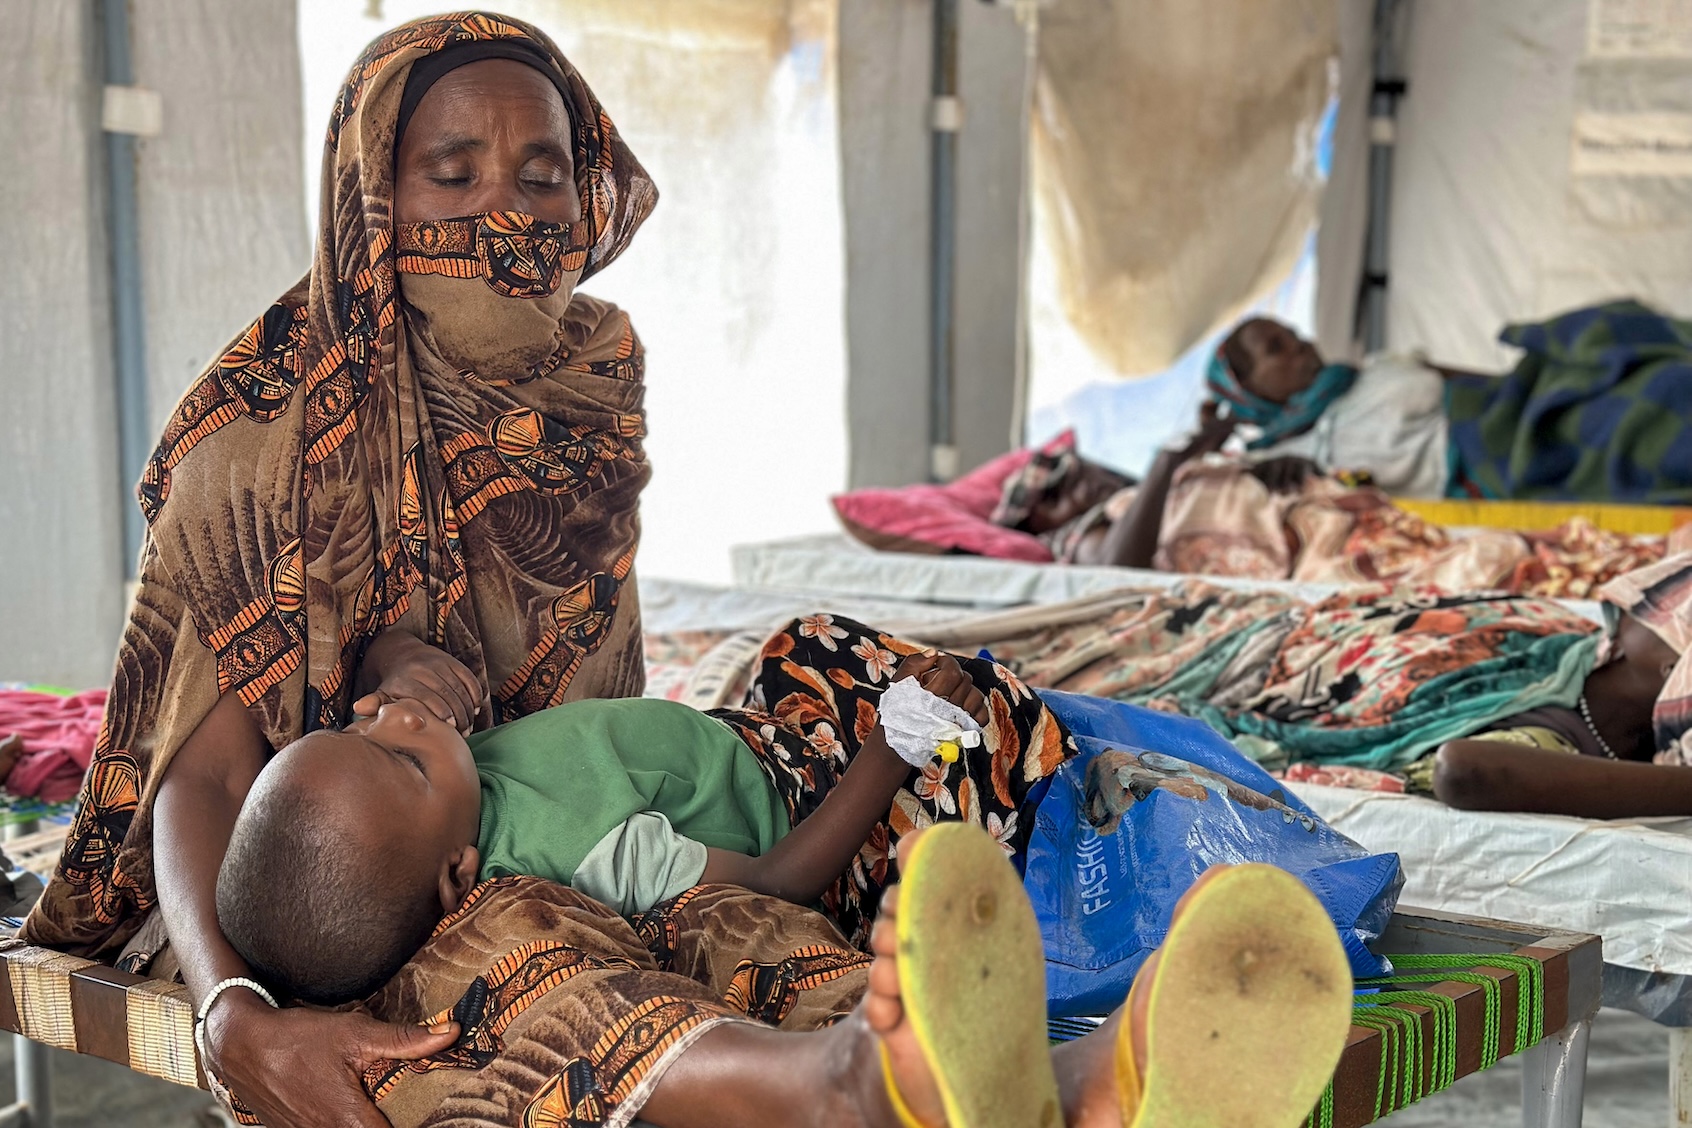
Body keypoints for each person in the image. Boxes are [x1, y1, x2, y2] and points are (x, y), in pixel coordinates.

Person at [214, 650, 991, 1004]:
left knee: (804, 641)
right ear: (460, 874)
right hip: (797, 792)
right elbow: (780, 882)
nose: (400, 716)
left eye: (362, 732)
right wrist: (890, 753)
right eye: (404, 760)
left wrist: (393, 658)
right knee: (971, 743)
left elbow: (398, 713)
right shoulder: (590, 854)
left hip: (730, 736)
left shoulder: (440, 806)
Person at [913, 553, 1692, 821]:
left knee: (1020, 689)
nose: (1618, 605)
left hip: (1269, 682)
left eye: (1645, 608)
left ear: (1664, 664)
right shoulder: (1558, 641)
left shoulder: (1567, 746)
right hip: (1263, 633)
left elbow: (1466, 769)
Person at [1207, 317, 1449, 498]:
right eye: (1276, 348)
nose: (1298, 344)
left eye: (1293, 334)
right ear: (1247, 389)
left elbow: (1474, 384)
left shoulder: (1377, 369)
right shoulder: (1278, 466)